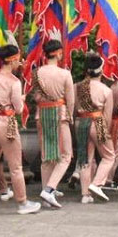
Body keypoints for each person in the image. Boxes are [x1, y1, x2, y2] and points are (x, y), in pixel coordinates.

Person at [0, 46, 42, 217]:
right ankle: (22, 202)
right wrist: (21, 100)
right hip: (6, 123)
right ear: (11, 60)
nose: (20, 62)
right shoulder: (14, 82)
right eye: (18, 59)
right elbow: (18, 109)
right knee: (16, 167)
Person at [34, 40, 75, 209]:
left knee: (47, 156)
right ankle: (49, 189)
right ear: (58, 53)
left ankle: (47, 191)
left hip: (42, 113)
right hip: (59, 113)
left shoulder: (37, 73)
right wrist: (70, 115)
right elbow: (70, 99)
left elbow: (35, 96)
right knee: (66, 155)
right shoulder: (65, 74)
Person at [76, 55, 116, 203]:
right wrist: (106, 133)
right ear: (101, 70)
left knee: (85, 159)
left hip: (81, 121)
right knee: (109, 156)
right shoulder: (106, 90)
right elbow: (108, 117)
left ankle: (85, 194)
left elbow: (75, 108)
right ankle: (97, 183)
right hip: (98, 121)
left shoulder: (78, 87)